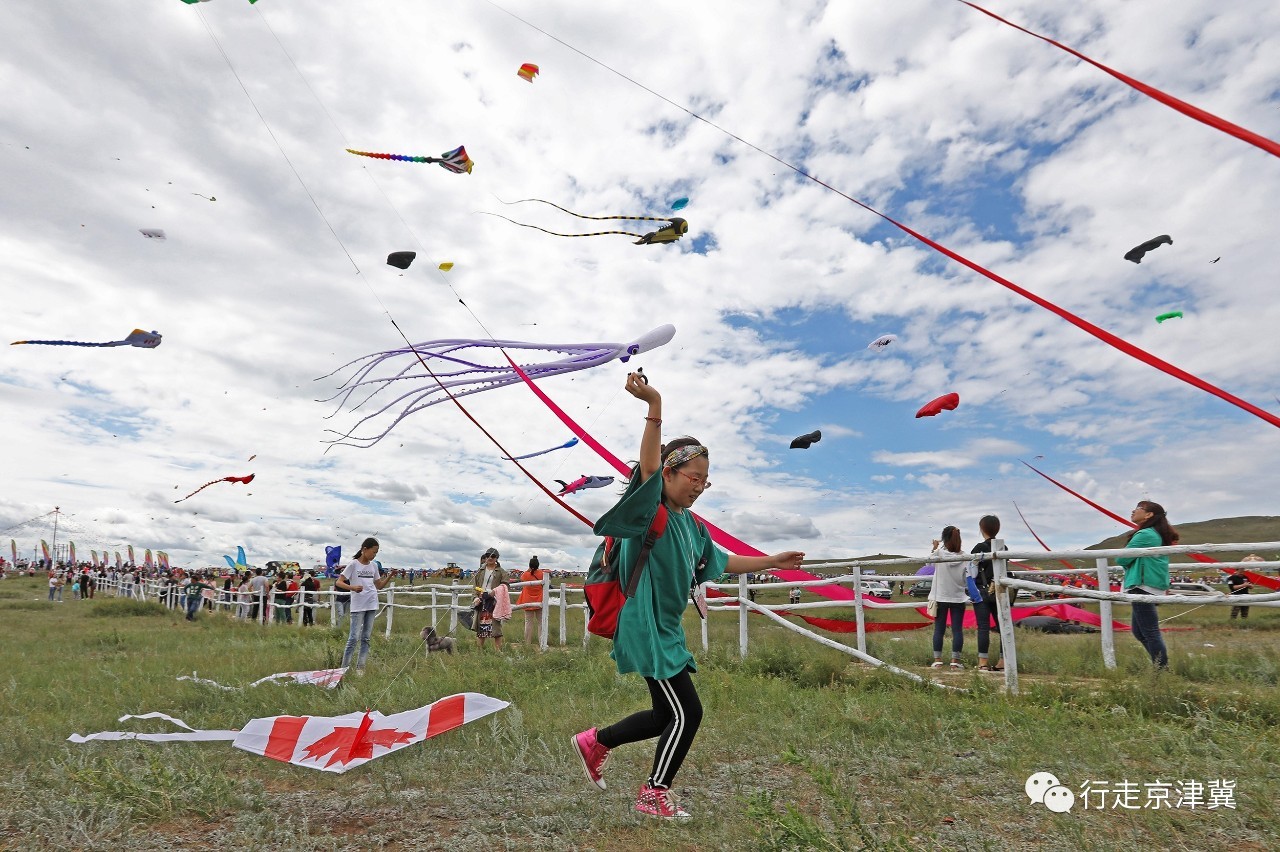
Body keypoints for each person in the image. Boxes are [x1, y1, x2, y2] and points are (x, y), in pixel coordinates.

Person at [571, 372, 804, 820]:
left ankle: (596, 741)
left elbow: (723, 562)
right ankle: (654, 792)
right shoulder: (649, 511)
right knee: (687, 713)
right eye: (693, 477)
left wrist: (771, 561)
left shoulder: (692, 527)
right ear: (671, 472)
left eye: (706, 480)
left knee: (664, 715)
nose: (699, 485)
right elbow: (648, 470)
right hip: (644, 627)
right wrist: (654, 405)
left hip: (666, 630)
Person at [1118, 500, 1173, 669]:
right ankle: (1160, 666)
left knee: (1149, 632)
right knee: (1139, 631)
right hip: (1146, 583)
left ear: (1149, 514)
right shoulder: (1154, 533)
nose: (1133, 511)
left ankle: (1162, 670)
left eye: (1138, 508)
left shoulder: (1146, 534)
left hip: (1142, 584)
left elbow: (1122, 558)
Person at [337, 538, 390, 674]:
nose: (374, 555)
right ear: (364, 549)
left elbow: (378, 586)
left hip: (372, 603)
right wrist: (352, 587)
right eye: (373, 552)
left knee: (366, 637)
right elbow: (339, 582)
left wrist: (390, 577)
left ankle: (361, 668)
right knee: (353, 637)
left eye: (376, 553)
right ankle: (343, 669)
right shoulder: (353, 565)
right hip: (358, 605)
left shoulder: (373, 566)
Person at [928, 526, 971, 670]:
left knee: (939, 630)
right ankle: (955, 662)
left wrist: (935, 547)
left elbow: (928, 563)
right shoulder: (965, 557)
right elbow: (966, 579)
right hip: (958, 597)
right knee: (957, 630)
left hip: (940, 597)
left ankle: (938, 660)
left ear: (944, 539)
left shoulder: (939, 554)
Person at [970, 515, 1008, 672]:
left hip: (982, 591)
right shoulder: (1004, 548)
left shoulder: (979, 547)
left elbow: (970, 570)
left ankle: (983, 662)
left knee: (983, 627)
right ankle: (1003, 661)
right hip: (1000, 590)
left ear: (982, 528)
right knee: (1003, 626)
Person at [472, 549, 508, 650]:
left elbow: (505, 585)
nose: (490, 558)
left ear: (496, 558)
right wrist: (475, 597)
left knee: (496, 628)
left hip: (494, 603)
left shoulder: (501, 572)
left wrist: (494, 592)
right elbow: (475, 586)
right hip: (481, 601)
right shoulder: (480, 571)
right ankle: (479, 652)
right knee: (481, 628)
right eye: (488, 556)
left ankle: (498, 652)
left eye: (493, 556)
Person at [517, 556, 545, 646]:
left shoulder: (526, 575)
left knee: (528, 622)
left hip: (527, 600)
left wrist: (529, 569)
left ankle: (527, 643)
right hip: (539, 600)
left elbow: (521, 578)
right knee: (541, 622)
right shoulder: (542, 574)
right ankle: (542, 642)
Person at [1227, 555, 1263, 621]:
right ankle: (1232, 623)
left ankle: (1244, 623)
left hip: (1246, 596)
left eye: (1243, 570)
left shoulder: (1246, 577)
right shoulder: (1231, 578)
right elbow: (1232, 587)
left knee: (1245, 613)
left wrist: (1250, 586)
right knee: (1234, 613)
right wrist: (1243, 585)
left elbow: (1251, 586)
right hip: (1236, 597)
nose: (1242, 572)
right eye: (1241, 571)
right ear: (1237, 570)